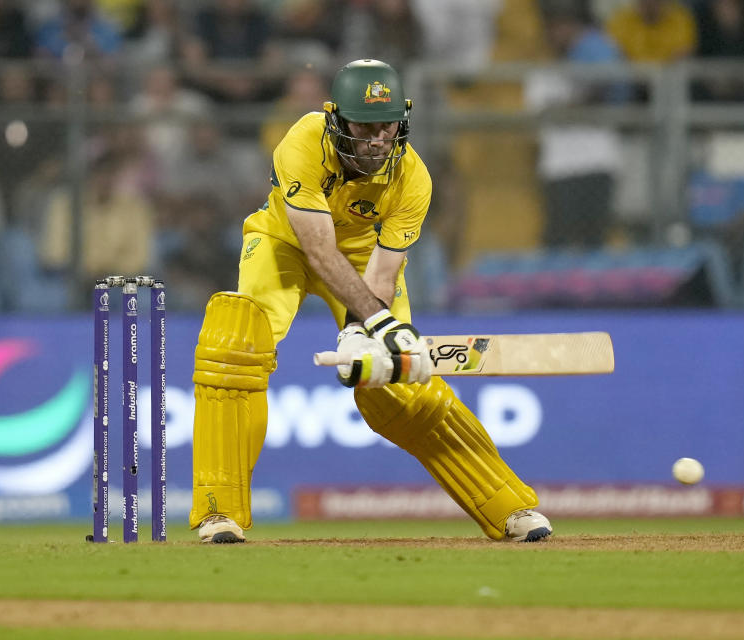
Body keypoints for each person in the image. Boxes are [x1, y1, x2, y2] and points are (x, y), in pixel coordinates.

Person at [189, 59, 552, 544]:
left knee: (402, 382)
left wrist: (363, 333)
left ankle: (511, 509)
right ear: (337, 120)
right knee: (234, 344)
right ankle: (219, 513)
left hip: (361, 257)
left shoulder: (414, 179)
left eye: (387, 127)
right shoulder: (303, 141)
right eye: (365, 126)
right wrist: (380, 321)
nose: (378, 139)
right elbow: (317, 249)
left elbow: (382, 269)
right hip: (284, 243)